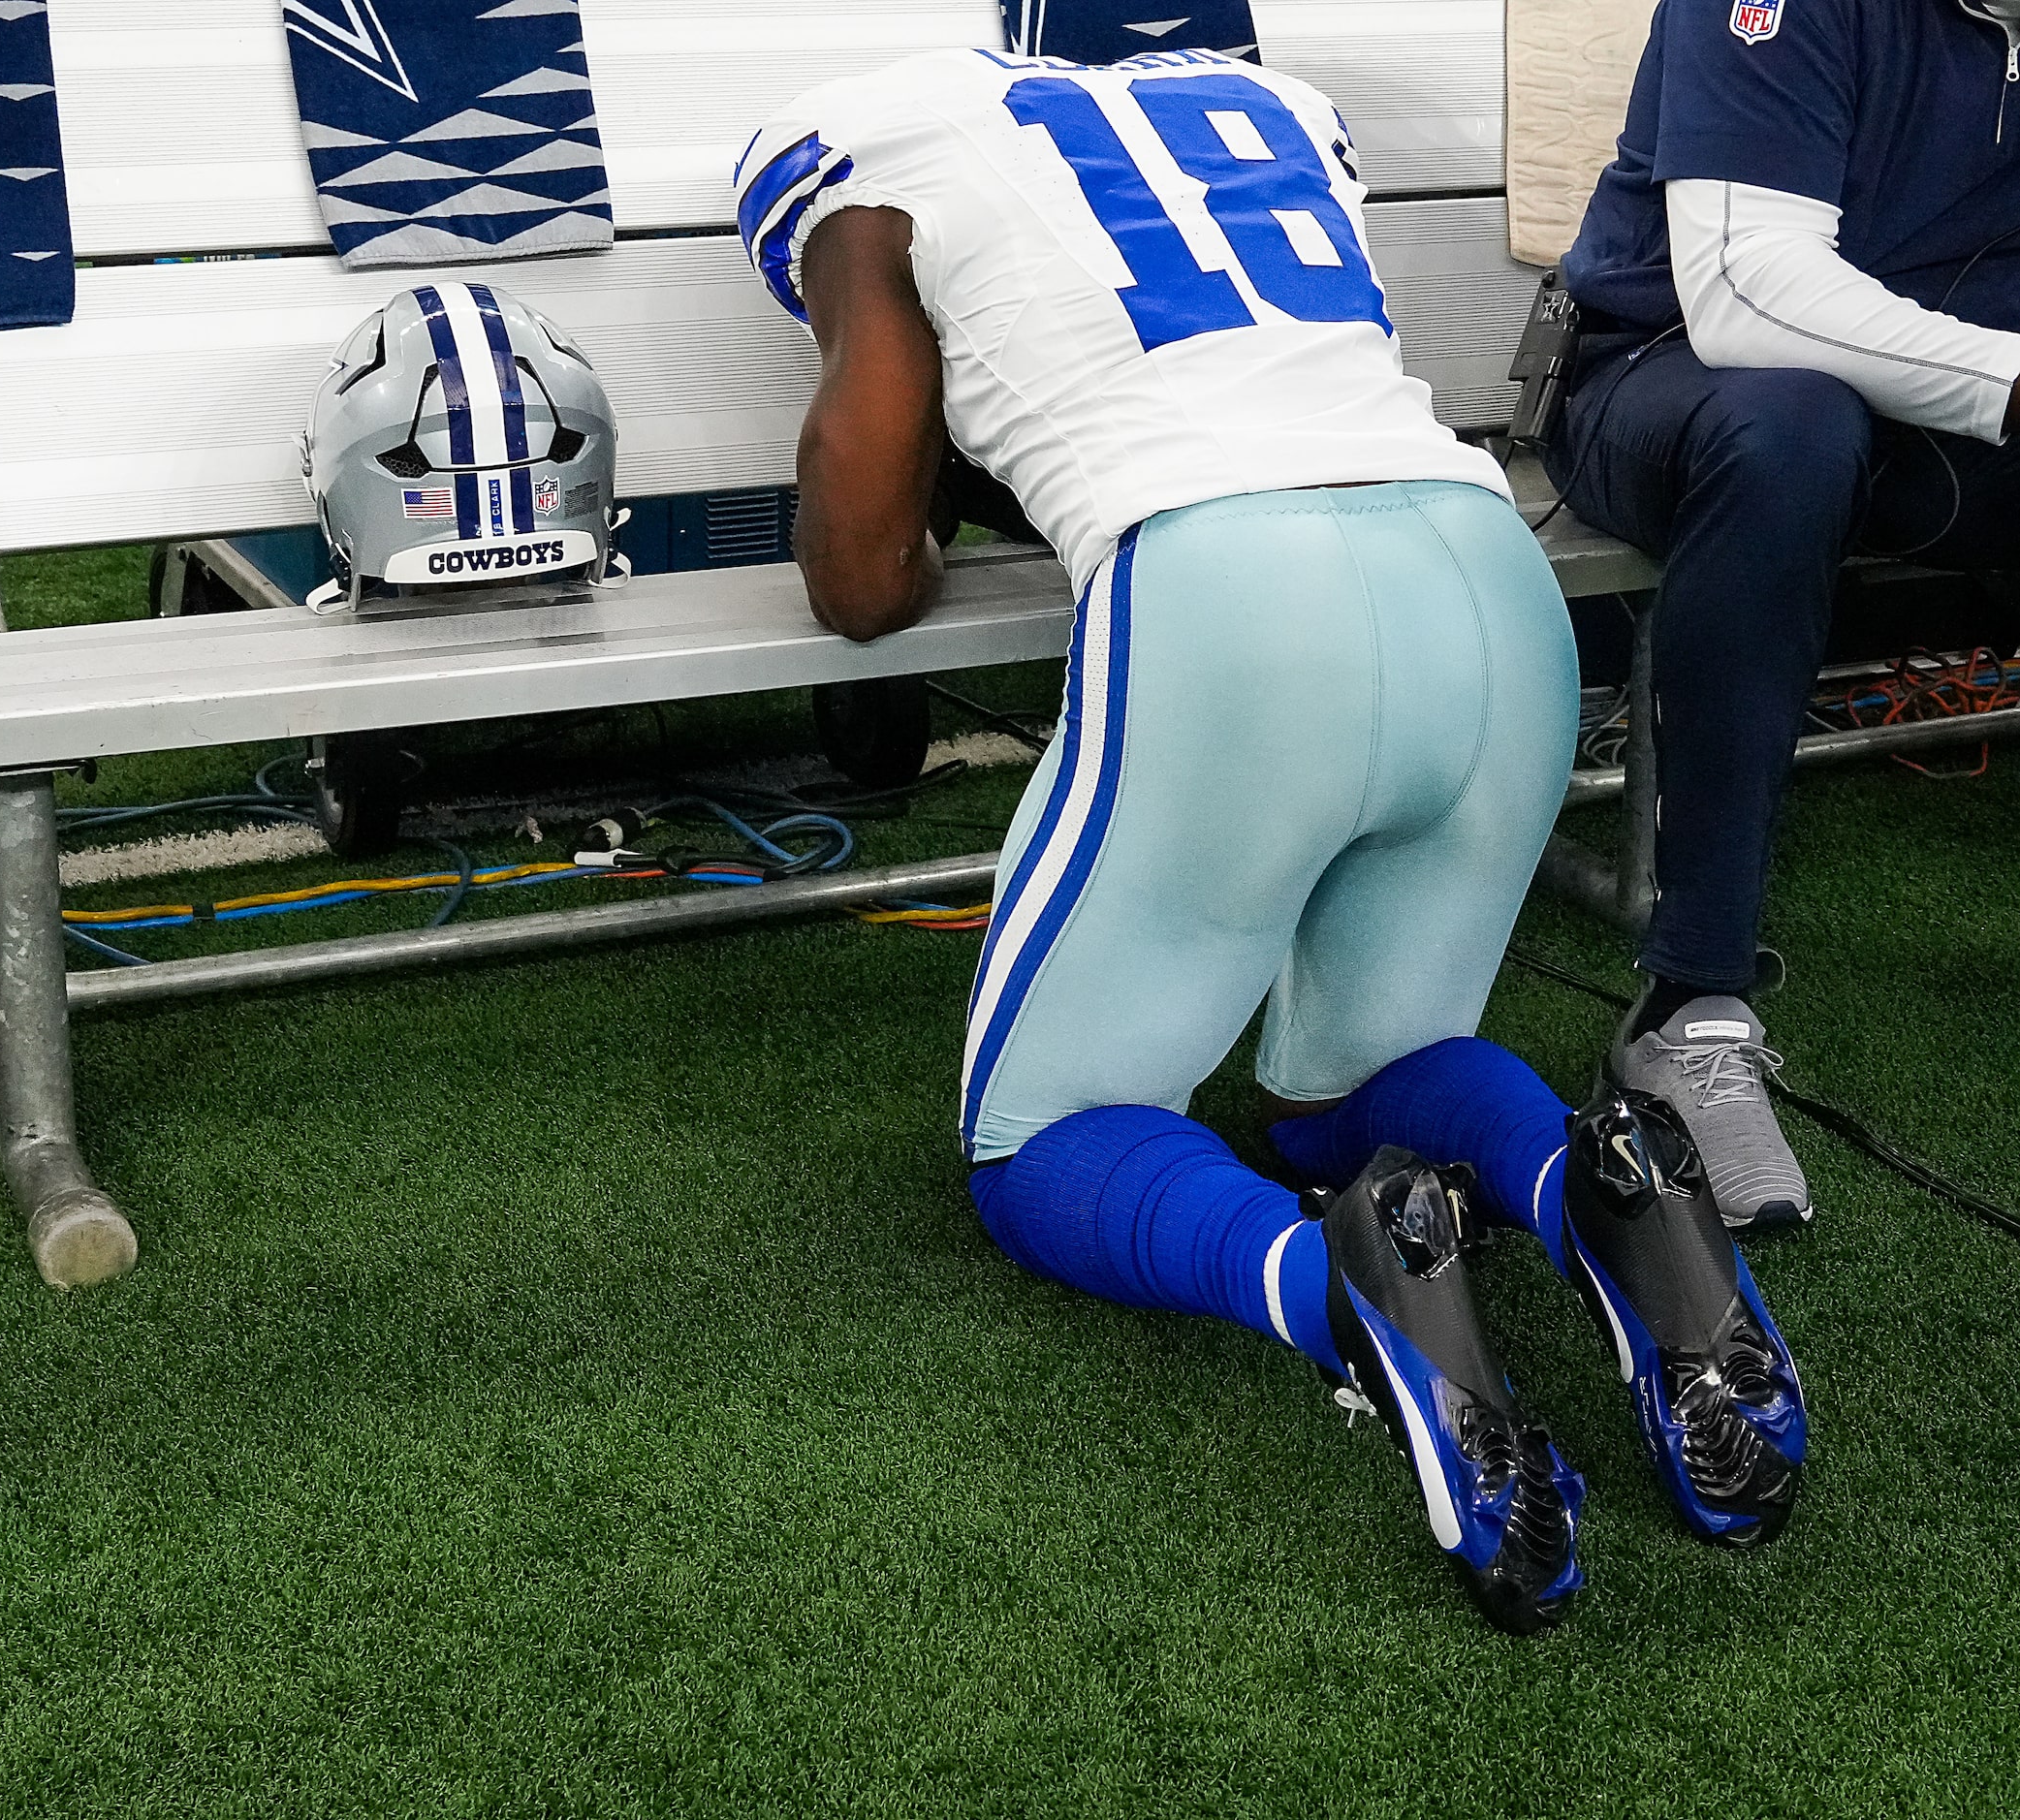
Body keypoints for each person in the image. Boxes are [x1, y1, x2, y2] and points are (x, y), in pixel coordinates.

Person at [735, 44, 1807, 1632]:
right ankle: (1595, 1189)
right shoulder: (1250, 103)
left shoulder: (858, 137)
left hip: (1229, 594)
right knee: (1343, 1089)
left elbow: (863, 571)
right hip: (1473, 569)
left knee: (1039, 1137)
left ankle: (1341, 1287)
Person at [1551, 0, 2020, 1227]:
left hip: (1933, 404)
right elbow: (1748, 295)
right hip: (1673, 377)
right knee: (1794, 431)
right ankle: (1689, 1000)